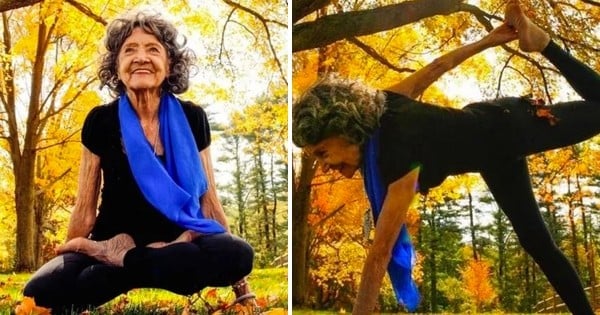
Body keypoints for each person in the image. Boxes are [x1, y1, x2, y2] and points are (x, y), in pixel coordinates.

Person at [292, 1, 597, 314]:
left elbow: (380, 252)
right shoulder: (383, 104)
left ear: (342, 127)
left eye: (322, 152)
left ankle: (543, 43)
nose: (325, 164)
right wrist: (487, 41)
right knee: (538, 244)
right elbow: (438, 67)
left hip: (509, 126)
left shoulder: (397, 157)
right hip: (492, 154)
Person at [22, 11, 256, 314]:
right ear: (116, 67)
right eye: (130, 50)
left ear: (169, 65)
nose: (141, 57)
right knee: (42, 291)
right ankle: (122, 259)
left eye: (153, 49)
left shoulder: (192, 117)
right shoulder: (100, 121)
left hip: (179, 240)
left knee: (236, 253)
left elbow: (209, 201)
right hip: (112, 238)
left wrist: (241, 287)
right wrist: (69, 260)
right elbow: (84, 206)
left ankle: (123, 260)